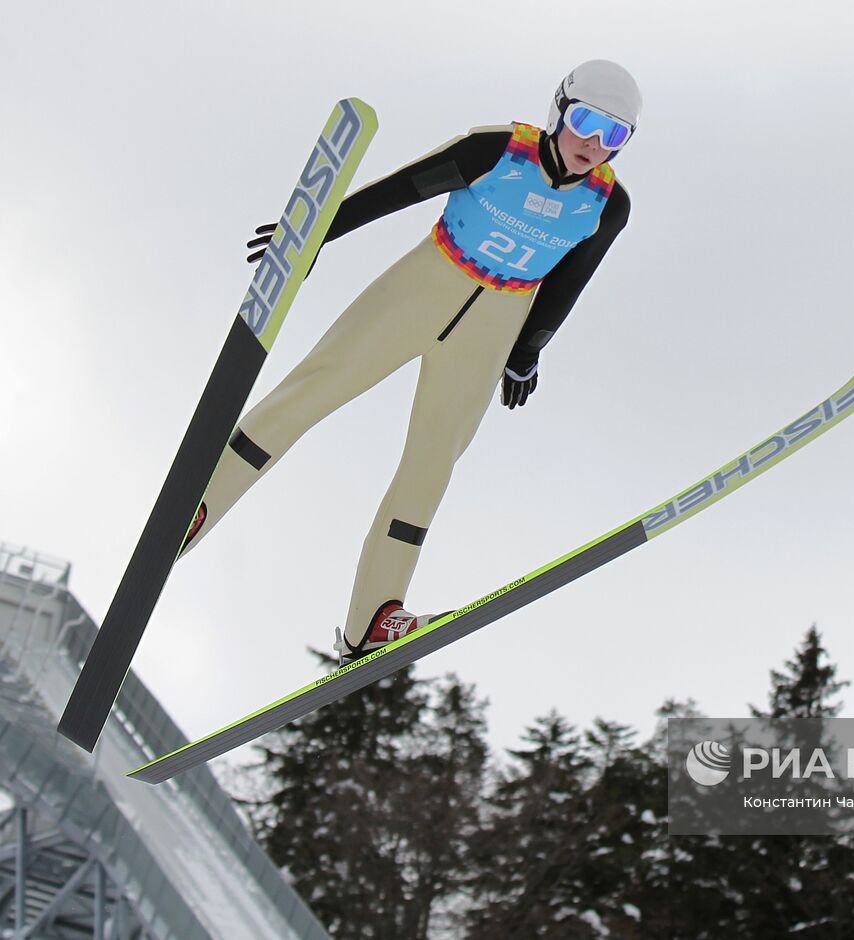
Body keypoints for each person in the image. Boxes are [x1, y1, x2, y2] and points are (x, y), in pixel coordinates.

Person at [178, 60, 640, 665]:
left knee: (431, 464)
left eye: (615, 137)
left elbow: (568, 284)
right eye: (585, 122)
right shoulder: (496, 151)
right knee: (314, 389)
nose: (592, 145)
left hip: (494, 324)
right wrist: (314, 235)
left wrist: (526, 353)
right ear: (560, 110)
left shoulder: (607, 205)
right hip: (424, 285)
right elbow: (399, 190)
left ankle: (373, 618)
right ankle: (196, 508)